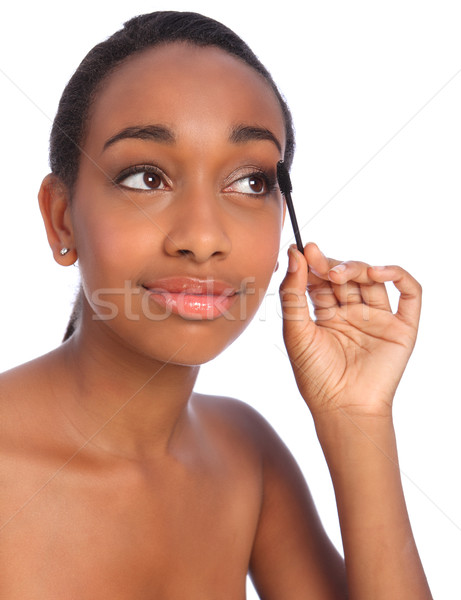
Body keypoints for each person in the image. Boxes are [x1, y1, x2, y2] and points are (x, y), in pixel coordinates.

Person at [0, 10, 432, 598]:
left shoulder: (246, 456)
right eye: (145, 178)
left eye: (251, 182)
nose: (203, 238)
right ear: (60, 219)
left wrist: (356, 418)